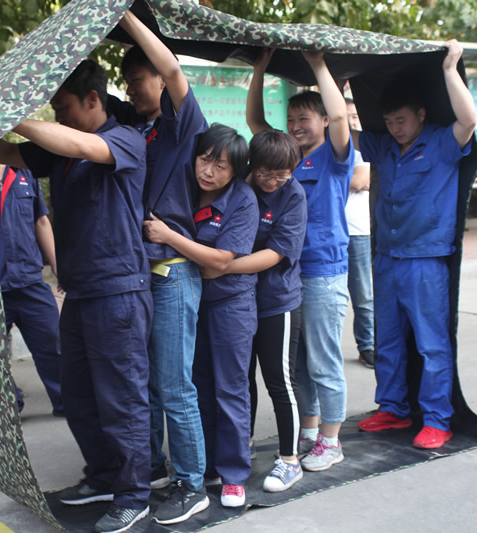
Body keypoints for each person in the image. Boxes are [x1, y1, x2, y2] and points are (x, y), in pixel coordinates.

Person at [0, 60, 153, 533]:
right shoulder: (57, 150)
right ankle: (103, 477)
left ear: (93, 100)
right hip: (79, 292)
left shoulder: (124, 139)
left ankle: (134, 495)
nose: (57, 117)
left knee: (122, 400)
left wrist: (14, 112)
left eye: (62, 107)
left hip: (118, 291)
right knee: (78, 397)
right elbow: (5, 152)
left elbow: (80, 145)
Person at [355, 40, 477, 449]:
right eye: (389, 121)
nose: (395, 127)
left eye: (402, 120)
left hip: (425, 260)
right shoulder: (385, 147)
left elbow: (469, 119)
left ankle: (438, 419)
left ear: (421, 114)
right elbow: (341, 133)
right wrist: (329, 75)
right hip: (387, 259)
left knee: (431, 344)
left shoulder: (442, 143)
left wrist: (450, 69)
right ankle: (393, 408)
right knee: (388, 341)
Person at [115, 11, 209, 525]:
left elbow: (173, 71)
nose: (131, 89)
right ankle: (152, 466)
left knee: (175, 386)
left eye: (137, 79)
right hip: (139, 274)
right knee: (146, 383)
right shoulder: (134, 132)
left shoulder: (181, 126)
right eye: (126, 82)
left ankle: (191, 484)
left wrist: (125, 15)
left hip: (174, 272)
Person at [248, 48, 354, 473]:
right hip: (290, 277)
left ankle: (331, 439)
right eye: (290, 119)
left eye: (304, 119)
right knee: (300, 365)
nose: (295, 126)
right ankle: (309, 431)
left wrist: (318, 65)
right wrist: (259, 68)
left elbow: (342, 116)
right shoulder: (288, 160)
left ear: (324, 121)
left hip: (324, 272)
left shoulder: (334, 157)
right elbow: (256, 123)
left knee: (324, 361)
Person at [145, 123, 257, 508]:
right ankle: (205, 466)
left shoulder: (242, 200)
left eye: (221, 166)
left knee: (230, 390)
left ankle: (234, 475)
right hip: (189, 300)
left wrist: (170, 238)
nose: (208, 171)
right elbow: (205, 261)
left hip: (230, 305)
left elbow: (222, 260)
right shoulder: (184, 188)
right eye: (205, 160)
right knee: (197, 386)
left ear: (236, 171)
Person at [204, 131, 307, 492]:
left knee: (279, 380)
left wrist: (222, 266)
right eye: (265, 173)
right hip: (238, 301)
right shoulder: (239, 186)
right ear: (252, 166)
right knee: (240, 379)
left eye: (282, 175)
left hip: (277, 301)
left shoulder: (293, 195)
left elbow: (276, 254)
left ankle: (290, 460)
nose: (272, 181)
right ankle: (241, 445)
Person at [0, 161, 62, 416]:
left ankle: (67, 401)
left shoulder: (24, 172)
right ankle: (8, 405)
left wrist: (57, 267)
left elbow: (41, 221)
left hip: (29, 280)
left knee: (54, 343)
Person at [344, 98, 376, 369]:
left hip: (356, 231)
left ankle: (367, 346)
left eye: (353, 116)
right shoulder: (324, 149)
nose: (349, 121)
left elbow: (360, 180)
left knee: (362, 295)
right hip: (328, 232)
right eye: (345, 115)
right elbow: (355, 182)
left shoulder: (359, 148)